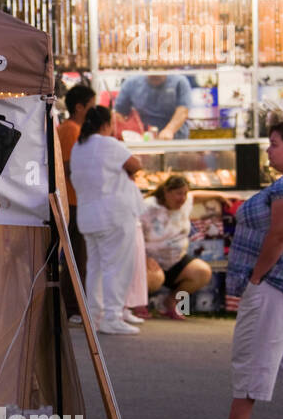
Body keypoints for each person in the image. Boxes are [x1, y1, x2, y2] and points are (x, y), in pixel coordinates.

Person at [198, 123, 283, 419]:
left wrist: (256, 275)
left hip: (276, 279)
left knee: (254, 347)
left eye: (273, 144)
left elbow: (282, 233)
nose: (268, 151)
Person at [69, 105, 145, 335]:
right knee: (117, 267)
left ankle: (94, 316)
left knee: (96, 268)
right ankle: (112, 316)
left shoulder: (78, 147)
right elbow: (135, 165)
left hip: (88, 215)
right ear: (106, 125)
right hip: (114, 215)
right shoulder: (109, 143)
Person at [141, 175, 215, 320]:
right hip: (150, 260)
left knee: (202, 272)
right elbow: (134, 237)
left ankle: (172, 302)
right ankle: (139, 305)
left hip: (176, 259)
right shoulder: (148, 207)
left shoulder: (185, 202)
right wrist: (144, 258)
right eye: (178, 194)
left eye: (184, 193)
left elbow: (197, 195)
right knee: (156, 279)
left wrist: (221, 195)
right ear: (166, 192)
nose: (182, 198)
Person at [58, 83, 96, 324]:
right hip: (72, 201)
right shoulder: (71, 130)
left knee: (77, 258)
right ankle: (72, 309)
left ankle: (71, 308)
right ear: (80, 107)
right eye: (91, 107)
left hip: (74, 200)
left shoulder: (70, 128)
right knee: (76, 258)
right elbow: (71, 167)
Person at [114, 73, 192, 139]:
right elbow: (119, 113)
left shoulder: (179, 81)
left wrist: (169, 130)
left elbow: (183, 110)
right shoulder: (131, 83)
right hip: (142, 141)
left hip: (175, 140)